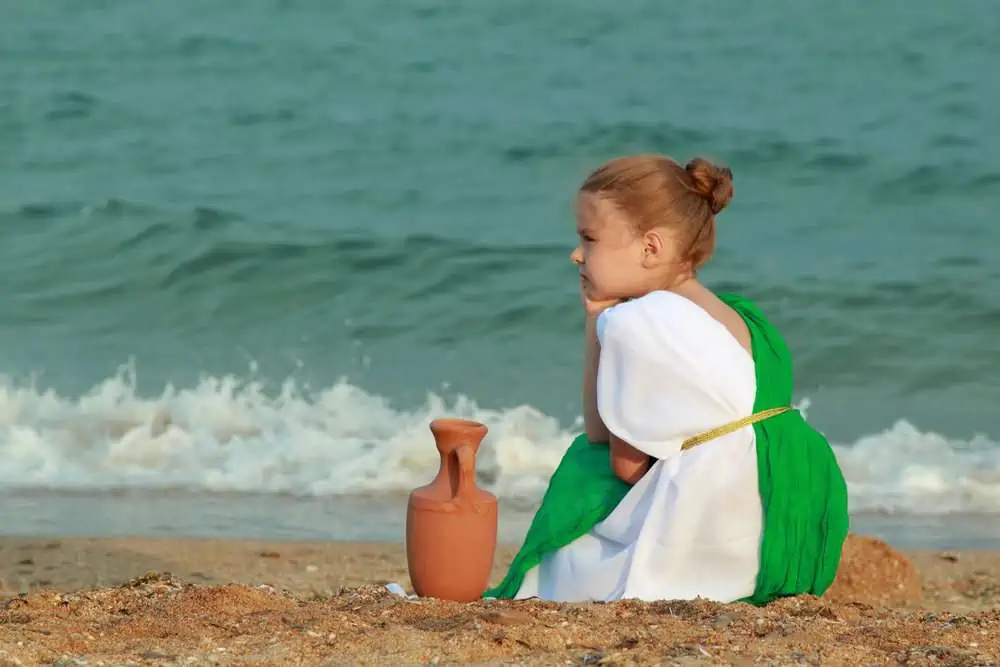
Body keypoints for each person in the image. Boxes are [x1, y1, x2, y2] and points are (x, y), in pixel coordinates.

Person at [485, 154, 849, 604]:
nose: (576, 253)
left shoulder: (638, 323)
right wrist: (598, 315)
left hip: (727, 542)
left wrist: (603, 323)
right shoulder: (737, 314)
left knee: (584, 470)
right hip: (796, 524)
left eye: (589, 238)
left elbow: (615, 453)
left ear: (650, 248)